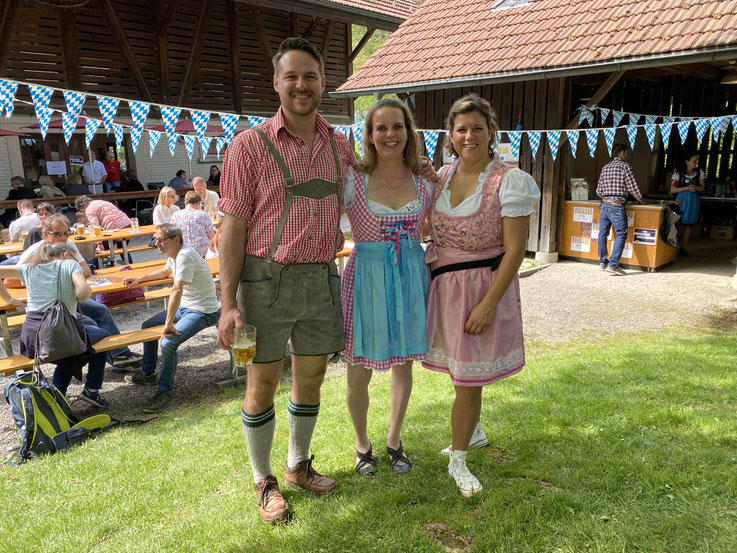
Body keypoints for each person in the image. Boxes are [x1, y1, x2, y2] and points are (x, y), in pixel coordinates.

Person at [217, 37, 356, 524]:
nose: (302, 85)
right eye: (291, 76)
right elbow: (231, 226)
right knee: (262, 380)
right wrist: (227, 300)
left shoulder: (341, 145)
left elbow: (381, 183)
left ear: (323, 84)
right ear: (276, 83)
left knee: (312, 377)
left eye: (311, 76)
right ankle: (264, 480)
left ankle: (297, 464)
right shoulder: (248, 147)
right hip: (263, 281)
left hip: (320, 277)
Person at [423, 94, 539, 497]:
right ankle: (472, 433)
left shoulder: (509, 179)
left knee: (469, 381)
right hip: (444, 286)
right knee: (461, 373)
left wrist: (488, 304)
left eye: (477, 128)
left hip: (481, 290)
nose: (468, 136)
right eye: (461, 129)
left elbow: (515, 250)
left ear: (491, 132)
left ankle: (459, 460)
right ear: (450, 135)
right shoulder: (441, 175)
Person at [342, 98, 433, 476]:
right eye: (381, 128)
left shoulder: (426, 180)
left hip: (410, 274)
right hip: (367, 277)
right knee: (358, 367)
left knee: (403, 364)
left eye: (398, 127)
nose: (390, 134)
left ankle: (394, 439)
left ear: (408, 133)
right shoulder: (353, 180)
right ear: (369, 135)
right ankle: (363, 443)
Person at [18, 215, 142, 370]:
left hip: (70, 298)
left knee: (100, 310)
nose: (63, 238)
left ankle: (120, 355)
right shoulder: (35, 252)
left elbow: (86, 269)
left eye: (66, 233)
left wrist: (70, 276)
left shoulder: (68, 244)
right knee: (89, 326)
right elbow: (10, 280)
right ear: (46, 234)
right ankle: (97, 361)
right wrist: (46, 280)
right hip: (49, 308)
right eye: (57, 234)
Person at [122, 223, 220, 412]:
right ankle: (148, 373)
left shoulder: (185, 255)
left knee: (168, 343)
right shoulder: (175, 254)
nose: (156, 244)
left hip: (203, 311)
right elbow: (165, 272)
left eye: (160, 240)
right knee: (146, 325)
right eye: (155, 240)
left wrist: (168, 324)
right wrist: (139, 280)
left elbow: (176, 288)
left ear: (176, 239)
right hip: (186, 307)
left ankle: (164, 392)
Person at [0, 242, 112, 407]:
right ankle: (91, 390)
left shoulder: (29, 268)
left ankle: (56, 401)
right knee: (102, 339)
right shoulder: (69, 265)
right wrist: (78, 294)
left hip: (32, 339)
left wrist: (9, 299)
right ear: (66, 255)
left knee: (71, 349)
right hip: (58, 334)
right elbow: (84, 292)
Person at [596, 143, 643, 276]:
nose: (627, 155)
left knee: (603, 233)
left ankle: (602, 262)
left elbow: (598, 190)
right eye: (626, 153)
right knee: (621, 233)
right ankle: (613, 264)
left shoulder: (605, 167)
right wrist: (641, 199)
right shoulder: (625, 167)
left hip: (604, 204)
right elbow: (633, 187)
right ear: (622, 153)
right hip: (616, 205)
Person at [670, 153, 704, 257]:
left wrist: (697, 188)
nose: (696, 163)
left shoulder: (699, 173)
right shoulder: (678, 174)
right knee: (678, 224)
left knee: (688, 225)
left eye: (696, 161)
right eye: (694, 161)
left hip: (693, 201)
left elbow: (702, 187)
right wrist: (686, 188)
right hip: (681, 200)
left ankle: (683, 247)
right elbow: (672, 189)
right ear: (687, 162)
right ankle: (673, 247)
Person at [170, 192, 215, 258]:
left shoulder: (175, 215)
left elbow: (172, 233)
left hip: (182, 250)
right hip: (201, 251)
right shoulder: (203, 215)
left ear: (185, 203)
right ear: (198, 203)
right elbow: (212, 236)